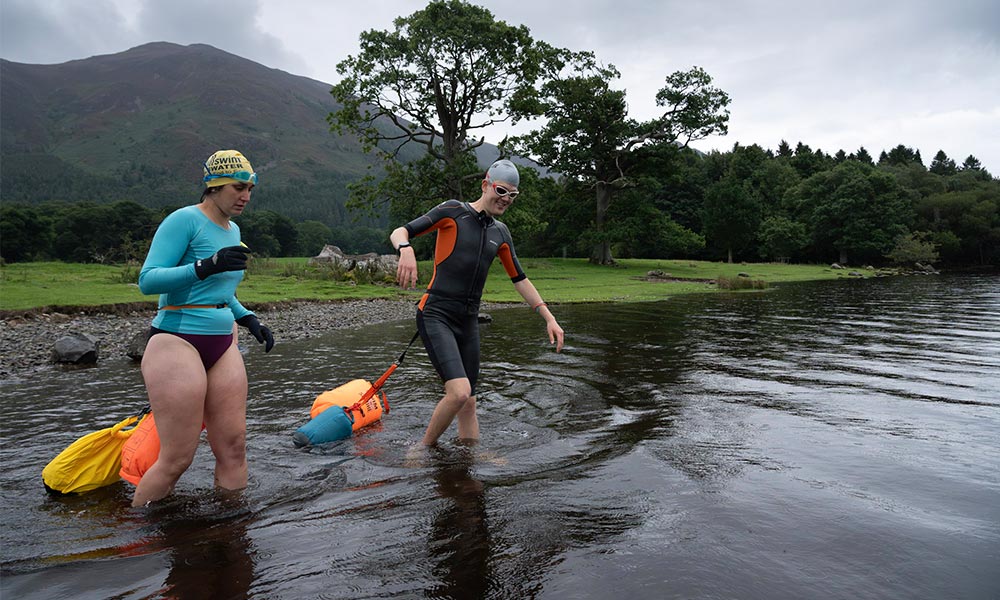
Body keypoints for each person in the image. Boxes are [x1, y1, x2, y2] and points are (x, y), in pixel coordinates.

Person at [132, 149, 274, 507]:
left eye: (250, 189)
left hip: (222, 342)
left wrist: (248, 318)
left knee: (234, 448)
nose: (246, 196)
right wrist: (205, 265)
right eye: (238, 187)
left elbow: (221, 291)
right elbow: (148, 281)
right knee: (178, 458)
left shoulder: (234, 229)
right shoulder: (184, 221)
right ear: (213, 186)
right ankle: (134, 544)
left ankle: (231, 531)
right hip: (176, 340)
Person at [390, 159, 565, 446]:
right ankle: (422, 449)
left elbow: (519, 278)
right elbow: (400, 231)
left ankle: (469, 457)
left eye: (513, 195)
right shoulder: (453, 211)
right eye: (501, 190)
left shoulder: (501, 232)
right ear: (485, 184)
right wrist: (405, 249)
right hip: (436, 314)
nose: (506, 199)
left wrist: (548, 317)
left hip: (468, 320)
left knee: (469, 401)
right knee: (458, 393)